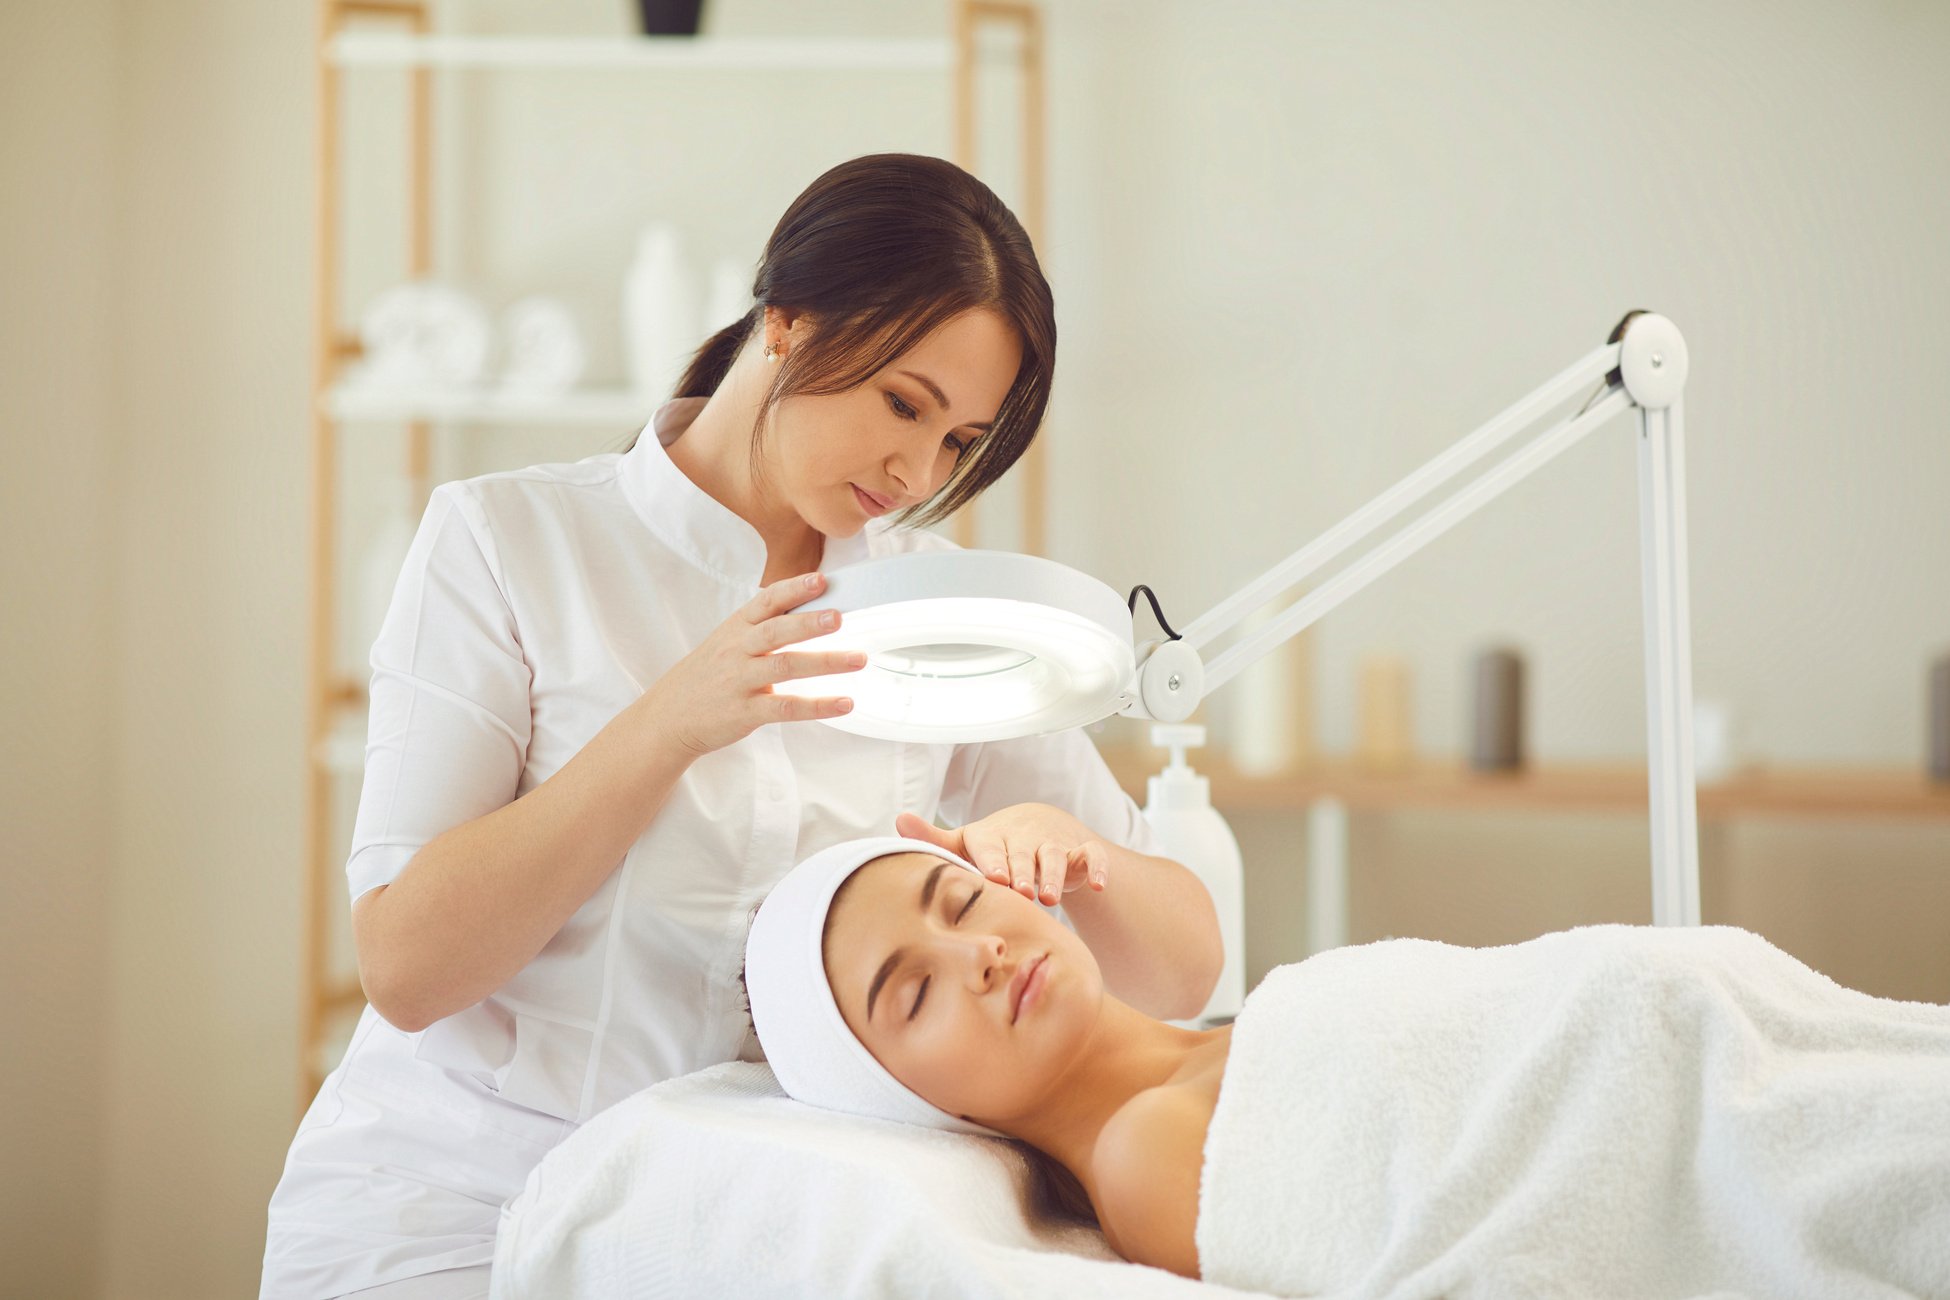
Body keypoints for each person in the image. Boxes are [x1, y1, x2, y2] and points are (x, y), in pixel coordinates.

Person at [260, 153, 1223, 1300]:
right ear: (786, 320)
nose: (915, 469)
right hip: (458, 1211)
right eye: (902, 403)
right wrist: (668, 723)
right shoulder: (507, 544)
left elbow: (1179, 973)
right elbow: (408, 967)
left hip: (726, 1229)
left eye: (959, 443)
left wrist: (1078, 855)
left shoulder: (934, 608)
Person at [744, 838, 1950, 1294]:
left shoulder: (1215, 1039)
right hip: (1691, 1109)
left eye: (961, 898)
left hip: (1728, 1027)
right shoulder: (1144, 1154)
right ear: (913, 1101)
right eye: (911, 991)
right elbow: (1485, 1208)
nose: (981, 950)